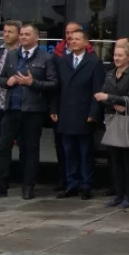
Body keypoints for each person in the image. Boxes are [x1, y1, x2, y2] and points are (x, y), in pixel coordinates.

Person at [0, 23, 58, 200]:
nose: (23, 37)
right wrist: (6, 81)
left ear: (36, 37)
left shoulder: (46, 58)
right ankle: (1, 184)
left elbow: (53, 84)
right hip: (12, 108)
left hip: (33, 111)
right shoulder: (11, 56)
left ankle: (28, 186)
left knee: (30, 149)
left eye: (26, 34)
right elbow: (0, 79)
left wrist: (32, 83)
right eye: (22, 34)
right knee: (2, 146)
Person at [52, 30, 105, 200]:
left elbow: (97, 89)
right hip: (66, 113)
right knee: (68, 152)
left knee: (85, 152)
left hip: (84, 114)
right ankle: (71, 184)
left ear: (86, 42)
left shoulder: (94, 62)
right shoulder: (63, 61)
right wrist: (53, 109)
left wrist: (93, 113)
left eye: (77, 39)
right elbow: (56, 88)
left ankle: (86, 185)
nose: (73, 42)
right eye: (71, 39)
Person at [95, 40, 129, 208]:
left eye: (120, 55)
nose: (116, 58)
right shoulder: (109, 74)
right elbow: (102, 95)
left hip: (127, 121)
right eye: (115, 55)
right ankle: (118, 193)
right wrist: (111, 102)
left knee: (128, 161)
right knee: (114, 160)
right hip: (112, 119)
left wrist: (110, 99)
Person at [0, 20, 20, 144]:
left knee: (19, 143)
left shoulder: (24, 53)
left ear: (18, 34)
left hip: (16, 105)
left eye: (10, 32)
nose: (6, 34)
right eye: (5, 31)